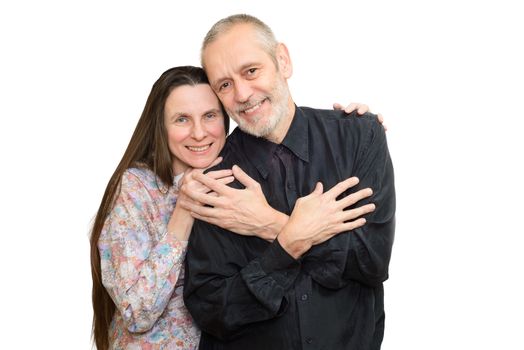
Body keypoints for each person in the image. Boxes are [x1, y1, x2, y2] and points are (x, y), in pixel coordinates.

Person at [89, 65, 379, 349]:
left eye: (210, 115)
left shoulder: (240, 175)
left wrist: (351, 129)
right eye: (182, 119)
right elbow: (136, 313)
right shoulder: (137, 188)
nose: (199, 133)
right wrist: (185, 211)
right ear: (160, 127)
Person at [182, 14, 395, 350]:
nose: (242, 94)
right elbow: (213, 311)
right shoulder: (215, 179)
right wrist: (288, 248)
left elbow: (370, 262)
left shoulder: (359, 136)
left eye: (251, 71)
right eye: (224, 84)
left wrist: (271, 225)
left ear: (282, 60)